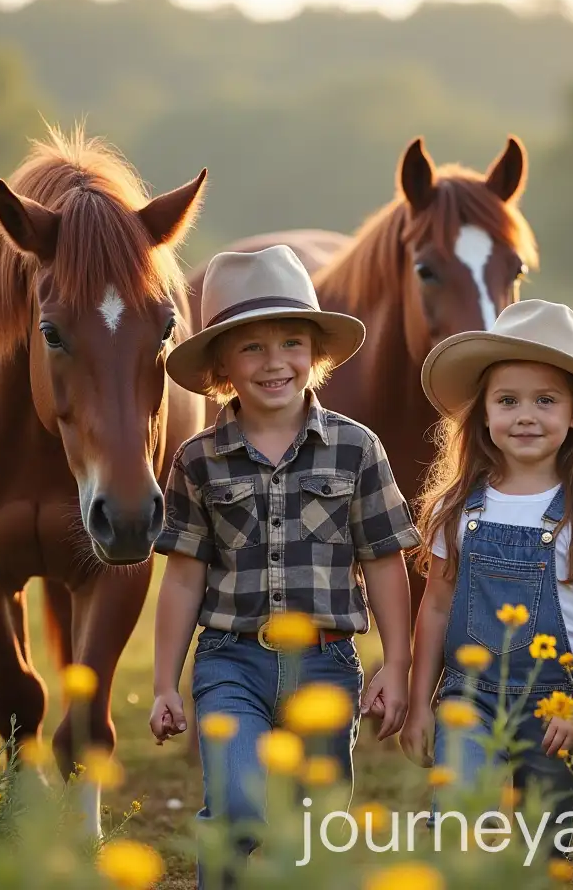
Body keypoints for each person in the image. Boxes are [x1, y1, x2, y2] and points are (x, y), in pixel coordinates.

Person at [148, 245, 419, 887]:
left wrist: (397, 664)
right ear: (220, 366)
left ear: (317, 354)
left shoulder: (356, 448)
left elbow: (383, 562)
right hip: (229, 659)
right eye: (251, 348)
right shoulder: (198, 459)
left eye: (292, 342)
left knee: (313, 825)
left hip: (327, 662)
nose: (275, 363)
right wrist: (164, 681)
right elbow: (184, 576)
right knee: (237, 806)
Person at [398, 298, 573, 850]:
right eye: (507, 400)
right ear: (484, 413)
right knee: (459, 824)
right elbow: (436, 607)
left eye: (546, 400)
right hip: (466, 696)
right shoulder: (458, 506)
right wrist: (421, 705)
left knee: (549, 839)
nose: (526, 416)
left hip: (554, 700)